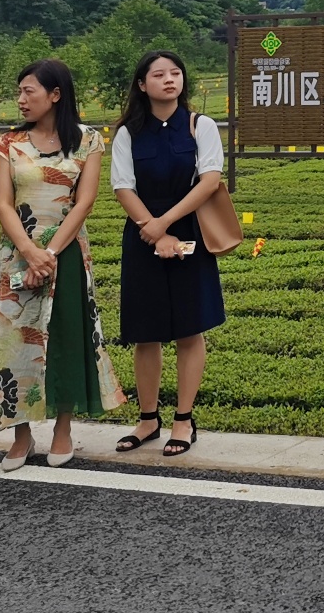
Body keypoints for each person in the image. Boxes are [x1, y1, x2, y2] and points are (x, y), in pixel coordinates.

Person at [0, 58, 126, 469]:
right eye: (19, 92)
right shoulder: (9, 143)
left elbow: (85, 202)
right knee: (14, 344)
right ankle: (21, 435)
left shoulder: (88, 141)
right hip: (16, 253)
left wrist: (50, 253)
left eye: (29, 91)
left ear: (55, 94)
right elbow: (2, 203)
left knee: (64, 339)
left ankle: (63, 429)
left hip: (67, 254)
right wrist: (30, 251)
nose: (21, 99)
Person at [110, 50, 226, 457]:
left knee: (190, 328)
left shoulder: (200, 125)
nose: (169, 80)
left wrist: (166, 224)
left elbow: (209, 180)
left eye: (175, 73)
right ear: (142, 85)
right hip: (143, 235)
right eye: (159, 75)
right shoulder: (128, 133)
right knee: (146, 332)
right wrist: (153, 229)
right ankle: (147, 419)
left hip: (189, 230)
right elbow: (123, 186)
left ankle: (183, 420)